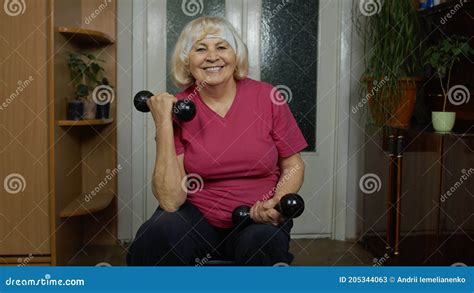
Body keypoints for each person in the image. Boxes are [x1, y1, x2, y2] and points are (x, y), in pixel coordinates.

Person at [127, 16, 308, 266]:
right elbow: (171, 201)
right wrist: (163, 123)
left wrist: (277, 202)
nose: (212, 57)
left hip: (255, 215)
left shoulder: (268, 97)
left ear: (236, 56)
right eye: (200, 49)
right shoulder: (178, 106)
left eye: (221, 47)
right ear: (187, 61)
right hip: (196, 216)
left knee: (263, 247)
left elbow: (293, 164)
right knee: (155, 237)